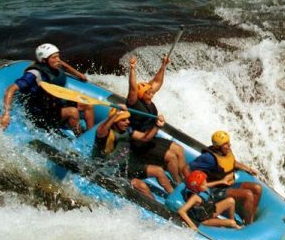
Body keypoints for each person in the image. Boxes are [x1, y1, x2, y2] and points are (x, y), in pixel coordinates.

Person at [0, 43, 94, 134]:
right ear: (44, 60)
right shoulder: (34, 74)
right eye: (54, 57)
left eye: (58, 56)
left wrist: (78, 74)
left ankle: (90, 134)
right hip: (40, 112)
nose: (58, 60)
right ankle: (81, 138)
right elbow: (11, 89)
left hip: (54, 103)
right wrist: (6, 114)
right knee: (73, 112)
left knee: (87, 104)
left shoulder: (53, 64)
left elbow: (62, 63)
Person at [126, 55, 189, 185]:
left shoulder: (148, 98)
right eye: (148, 91)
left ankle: (185, 179)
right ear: (142, 94)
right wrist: (132, 69)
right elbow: (132, 88)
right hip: (139, 143)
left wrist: (163, 66)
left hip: (151, 138)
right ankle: (177, 182)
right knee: (171, 157)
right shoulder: (134, 103)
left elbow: (157, 82)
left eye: (151, 91)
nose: (152, 91)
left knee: (179, 149)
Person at [92, 106, 174, 200]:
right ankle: (158, 208)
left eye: (127, 119)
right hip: (109, 171)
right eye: (123, 120)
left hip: (125, 167)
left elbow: (145, 138)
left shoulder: (127, 131)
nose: (128, 122)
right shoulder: (105, 134)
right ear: (115, 122)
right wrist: (115, 115)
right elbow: (100, 130)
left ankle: (173, 197)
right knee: (141, 186)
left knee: (158, 171)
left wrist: (157, 126)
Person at [188, 130, 262, 225]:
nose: (229, 145)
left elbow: (231, 162)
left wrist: (248, 169)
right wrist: (194, 187)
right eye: (225, 144)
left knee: (257, 188)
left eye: (228, 143)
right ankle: (248, 226)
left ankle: (249, 218)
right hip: (214, 189)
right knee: (248, 194)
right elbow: (188, 168)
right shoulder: (208, 158)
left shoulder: (226, 151)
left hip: (227, 185)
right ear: (217, 147)